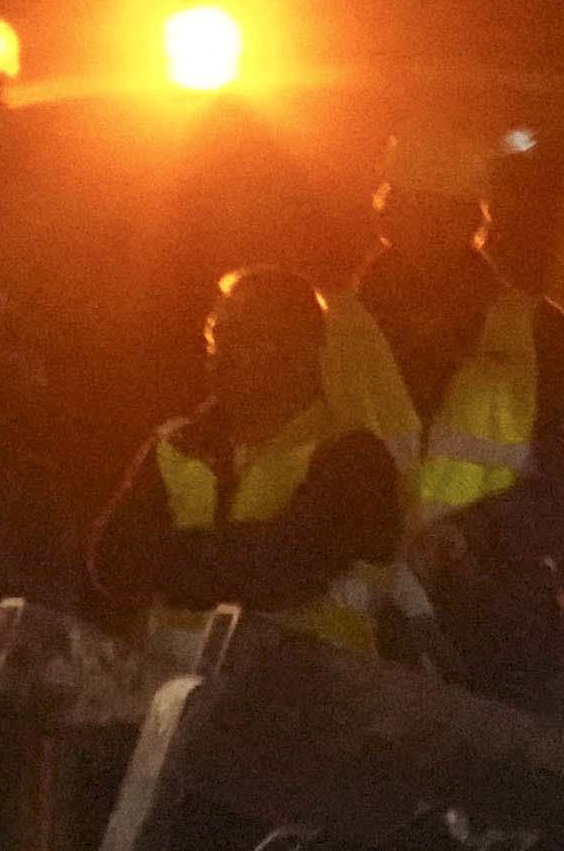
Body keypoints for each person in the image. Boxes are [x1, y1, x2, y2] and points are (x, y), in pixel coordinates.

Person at [356, 133, 564, 710]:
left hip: (496, 628)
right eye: (413, 211)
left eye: (443, 215)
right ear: (387, 215)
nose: (427, 231)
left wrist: (480, 536)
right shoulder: (335, 329)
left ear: (474, 220)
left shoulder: (537, 332)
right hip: (366, 624)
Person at [89, 261, 413, 660]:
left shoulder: (353, 457)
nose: (222, 353)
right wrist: (232, 556)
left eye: (246, 337)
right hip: (180, 702)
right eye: (217, 334)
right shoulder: (178, 445)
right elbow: (111, 561)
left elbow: (281, 571)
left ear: (302, 350)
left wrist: (168, 556)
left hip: (309, 704)